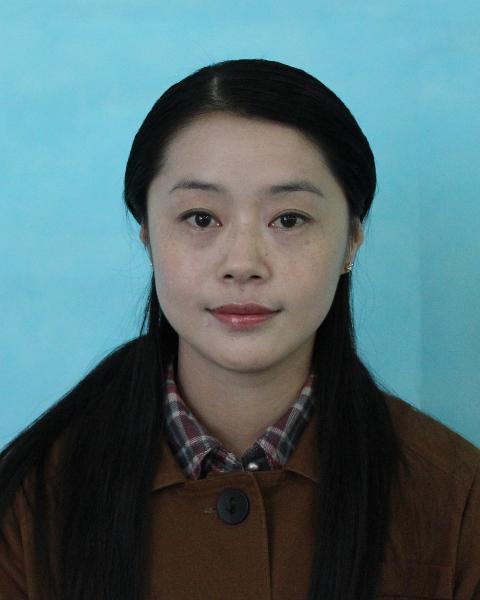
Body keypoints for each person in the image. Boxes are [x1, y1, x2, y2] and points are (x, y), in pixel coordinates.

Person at [0, 58, 479, 600]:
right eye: (201, 218)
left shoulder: (457, 500)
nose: (243, 263)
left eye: (289, 219)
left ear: (351, 240)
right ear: (148, 236)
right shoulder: (28, 499)